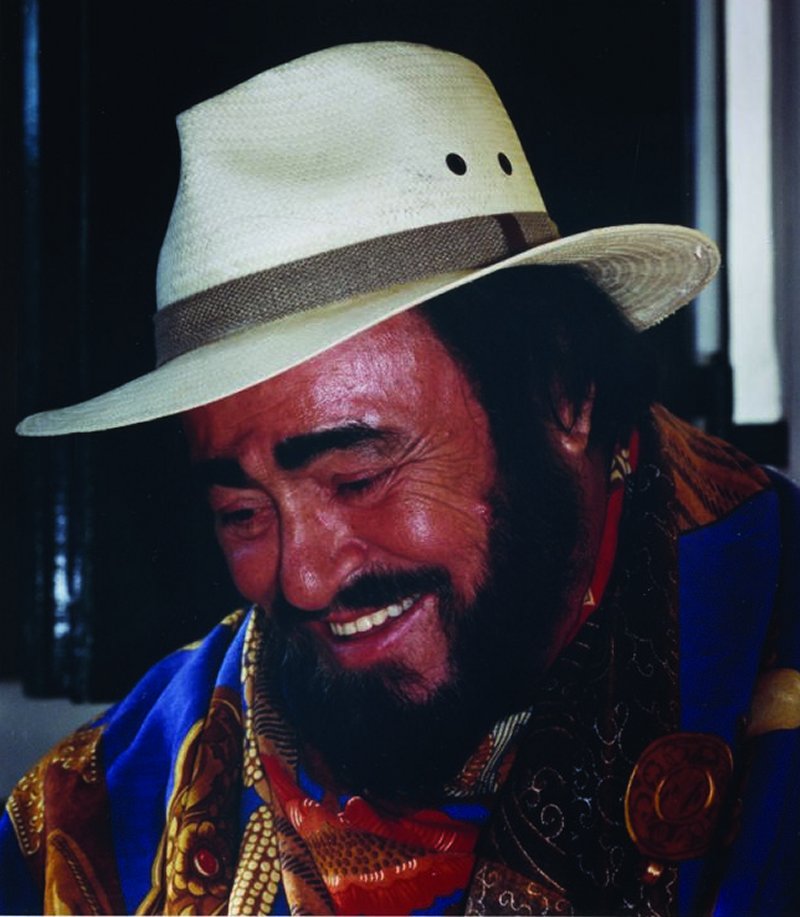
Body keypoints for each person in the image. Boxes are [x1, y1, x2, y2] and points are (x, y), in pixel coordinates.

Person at [2, 41, 799, 916]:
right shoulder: (114, 811)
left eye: (357, 473)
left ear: (563, 392)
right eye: (240, 509)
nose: (303, 580)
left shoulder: (770, 648)